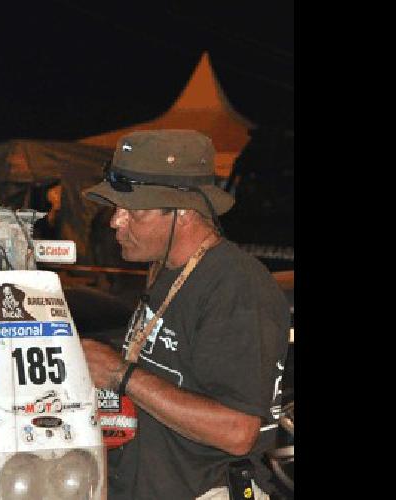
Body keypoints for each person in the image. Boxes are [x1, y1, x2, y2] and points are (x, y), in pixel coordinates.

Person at [79, 129, 289, 499]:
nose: (115, 222)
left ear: (183, 213)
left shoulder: (235, 286)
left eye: (133, 211)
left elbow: (238, 432)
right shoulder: (170, 272)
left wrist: (118, 373)